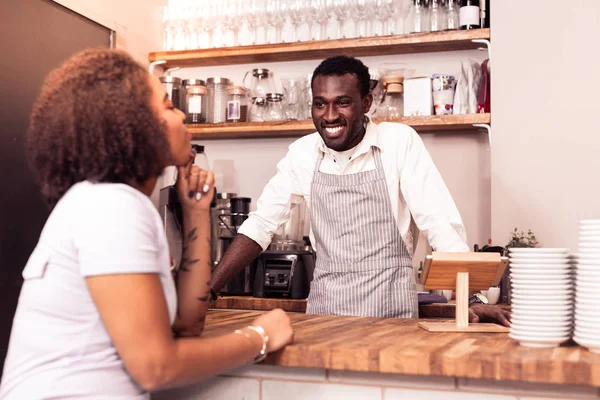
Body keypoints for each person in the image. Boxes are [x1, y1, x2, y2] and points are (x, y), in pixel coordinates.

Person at [0, 48, 293, 399]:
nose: (182, 114)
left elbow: (187, 325)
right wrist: (259, 337)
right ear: (134, 127)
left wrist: (198, 211)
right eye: (169, 107)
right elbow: (155, 366)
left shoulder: (113, 202)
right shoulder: (111, 205)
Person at [211, 55, 510, 325]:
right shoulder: (302, 154)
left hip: (391, 317)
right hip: (325, 315)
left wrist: (472, 297)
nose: (329, 116)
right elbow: (261, 225)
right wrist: (209, 289)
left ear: (366, 103)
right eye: (320, 103)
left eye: (342, 102)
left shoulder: (398, 142)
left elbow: (439, 223)